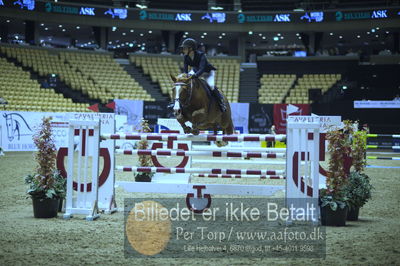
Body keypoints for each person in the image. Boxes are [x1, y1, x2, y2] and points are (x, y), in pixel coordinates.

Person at [180, 38, 226, 112]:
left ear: (190, 49)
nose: (183, 50)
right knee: (185, 83)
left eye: (184, 48)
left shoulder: (201, 55)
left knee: (211, 86)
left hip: (207, 73)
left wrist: (194, 76)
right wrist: (185, 76)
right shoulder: (186, 57)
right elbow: (185, 70)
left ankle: (221, 103)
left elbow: (202, 69)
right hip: (195, 71)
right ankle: (179, 103)